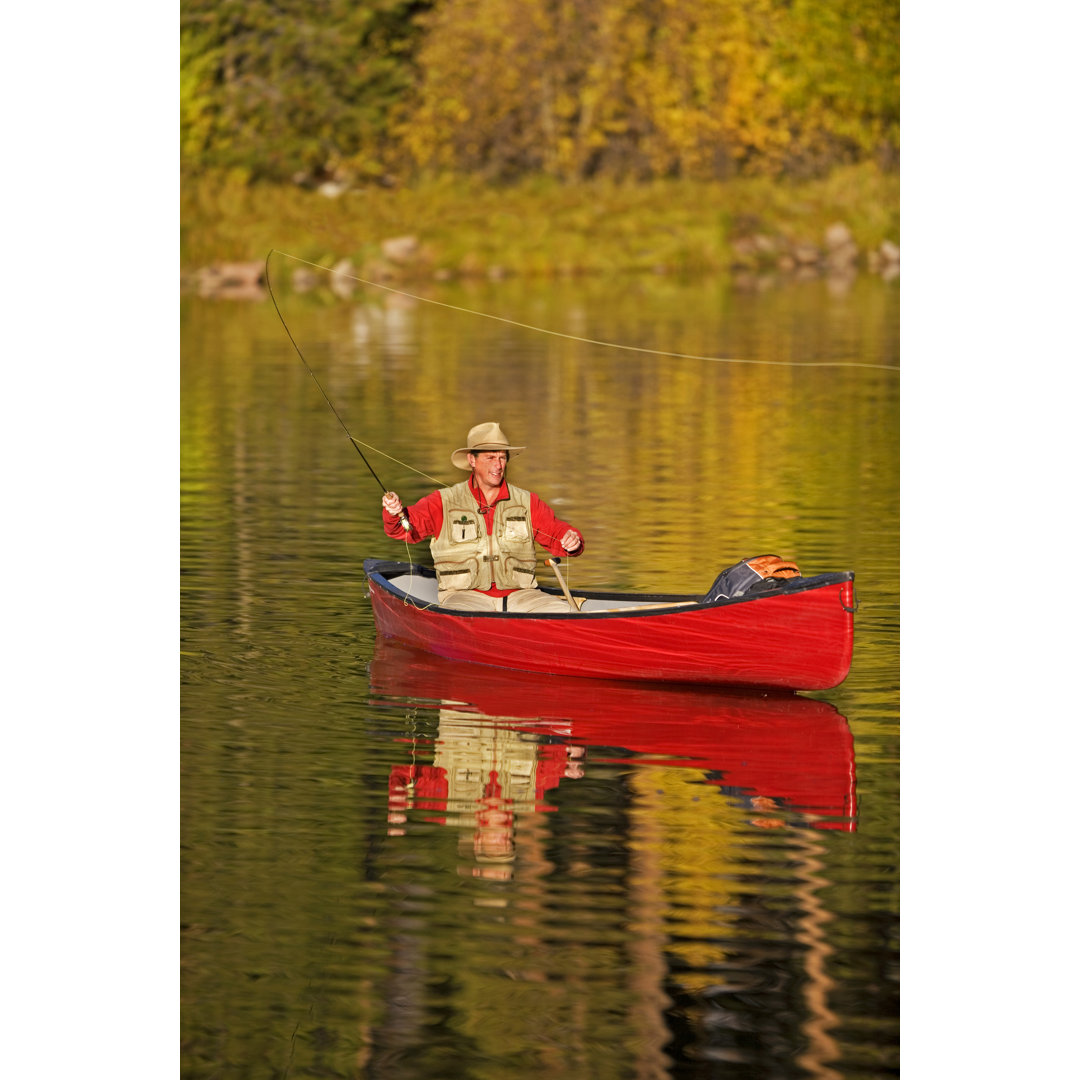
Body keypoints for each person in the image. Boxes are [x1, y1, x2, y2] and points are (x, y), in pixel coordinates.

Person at [381, 421, 584, 611]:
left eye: (502, 457)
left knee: (565, 612)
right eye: (490, 458)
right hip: (464, 597)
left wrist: (572, 539)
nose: (498, 465)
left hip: (522, 596)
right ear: (472, 460)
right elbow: (403, 529)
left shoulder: (527, 501)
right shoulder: (442, 501)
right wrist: (394, 511)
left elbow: (558, 533)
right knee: (466, 618)